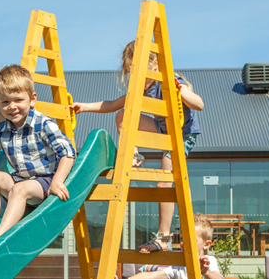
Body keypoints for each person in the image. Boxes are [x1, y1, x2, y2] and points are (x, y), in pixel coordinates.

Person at [72, 40, 204, 252]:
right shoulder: (142, 89)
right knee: (122, 115)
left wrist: (181, 91)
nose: (135, 76)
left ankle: (163, 238)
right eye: (130, 71)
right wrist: (83, 107)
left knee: (164, 184)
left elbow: (199, 104)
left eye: (139, 70)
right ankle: (134, 155)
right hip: (162, 130)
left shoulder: (170, 80)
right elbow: (112, 104)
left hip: (180, 136)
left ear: (155, 66)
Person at [0, 64, 76, 258]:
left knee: (20, 189)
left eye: (18, 100)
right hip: (20, 180)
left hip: (44, 184)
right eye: (5, 102)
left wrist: (58, 181)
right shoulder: (1, 129)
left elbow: (68, 152)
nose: (12, 107)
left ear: (32, 99)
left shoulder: (44, 124)